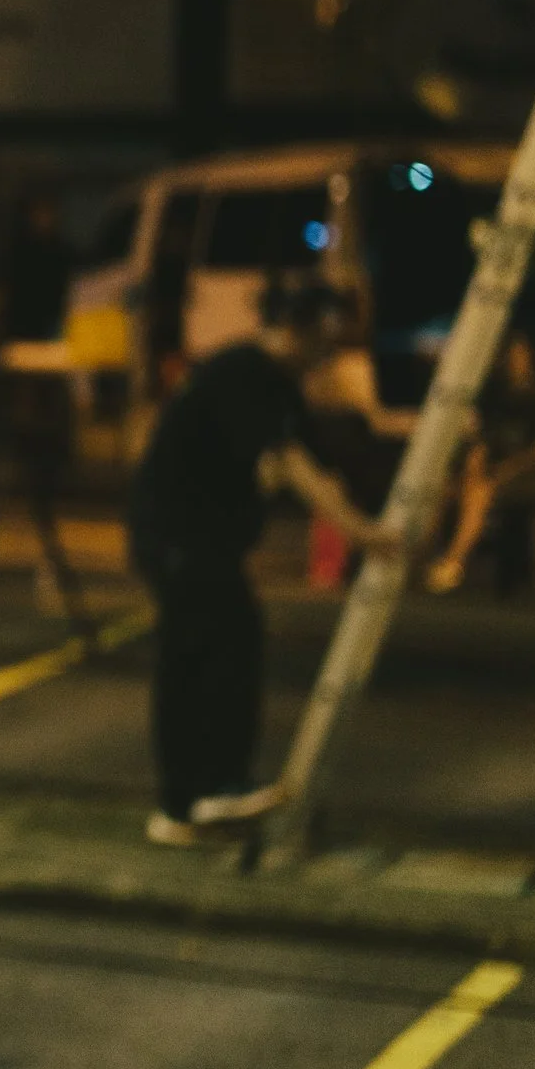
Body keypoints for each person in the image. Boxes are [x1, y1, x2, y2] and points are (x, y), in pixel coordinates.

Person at [127, 278, 398, 847]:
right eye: (327, 342)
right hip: (179, 535)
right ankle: (191, 798)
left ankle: (206, 795)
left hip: (203, 538)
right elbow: (293, 463)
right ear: (296, 329)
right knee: (202, 654)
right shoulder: (244, 374)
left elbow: (320, 462)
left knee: (226, 645)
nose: (331, 357)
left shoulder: (280, 384)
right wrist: (364, 535)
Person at [425, 331, 535, 595]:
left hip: (525, 474)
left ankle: (454, 561)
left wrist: (509, 468)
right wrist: (476, 460)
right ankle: (418, 560)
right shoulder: (496, 394)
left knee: (479, 493)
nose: (514, 361)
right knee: (444, 489)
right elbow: (482, 438)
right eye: (510, 355)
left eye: (520, 355)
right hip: (490, 470)